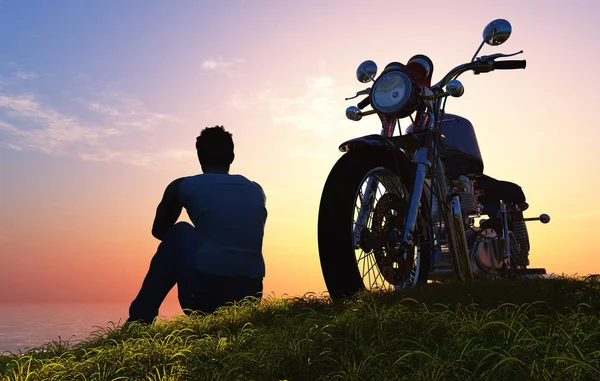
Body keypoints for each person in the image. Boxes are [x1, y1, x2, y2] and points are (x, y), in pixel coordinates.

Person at [126, 125, 267, 325]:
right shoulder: (256, 190)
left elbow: (159, 231)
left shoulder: (183, 186)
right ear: (232, 156)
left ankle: (138, 322)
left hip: (204, 299)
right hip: (250, 297)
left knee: (180, 231)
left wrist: (199, 242)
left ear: (199, 156)